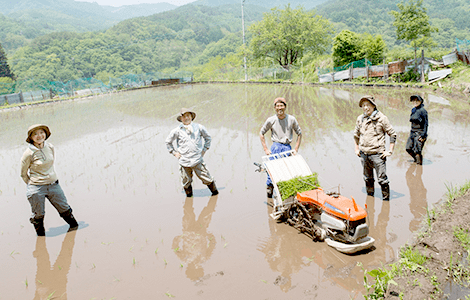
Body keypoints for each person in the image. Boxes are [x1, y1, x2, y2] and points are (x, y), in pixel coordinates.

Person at [20, 124, 78, 236]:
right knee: (38, 215)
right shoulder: (28, 153)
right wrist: (34, 185)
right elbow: (23, 174)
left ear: (45, 134)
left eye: (41, 132)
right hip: (37, 188)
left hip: (53, 185)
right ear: (31, 138)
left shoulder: (50, 147)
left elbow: (50, 164)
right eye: (35, 134)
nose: (39, 136)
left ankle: (75, 230)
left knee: (65, 209)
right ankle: (41, 238)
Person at [165, 108, 218, 197]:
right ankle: (189, 199)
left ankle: (215, 195)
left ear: (191, 117)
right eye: (184, 116)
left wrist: (204, 150)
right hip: (184, 162)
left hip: (197, 160)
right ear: (181, 119)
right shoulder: (177, 130)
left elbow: (208, 138)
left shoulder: (199, 127)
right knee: (186, 182)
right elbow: (168, 142)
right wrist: (174, 153)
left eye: (188, 116)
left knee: (207, 179)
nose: (186, 118)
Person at [354, 96, 397, 201]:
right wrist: (356, 148)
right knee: (367, 178)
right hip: (364, 154)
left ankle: (386, 201)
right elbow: (356, 135)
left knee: (382, 180)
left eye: (368, 105)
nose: (365, 108)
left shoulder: (382, 118)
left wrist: (390, 151)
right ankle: (370, 200)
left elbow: (392, 134)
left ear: (373, 106)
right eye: (363, 105)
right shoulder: (360, 119)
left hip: (378, 154)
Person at [259, 97, 302, 198]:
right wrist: (266, 149)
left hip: (287, 147)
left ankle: (285, 194)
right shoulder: (271, 120)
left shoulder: (291, 119)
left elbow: (299, 133)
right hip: (275, 147)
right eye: (277, 106)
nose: (280, 108)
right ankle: (270, 191)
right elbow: (261, 133)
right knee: (272, 170)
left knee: (286, 171)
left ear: (285, 107)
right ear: (274, 108)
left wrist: (295, 149)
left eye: (282, 105)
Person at [406, 95, 428, 165]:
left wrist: (423, 135)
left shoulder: (423, 111)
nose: (415, 102)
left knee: (417, 151)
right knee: (408, 148)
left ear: (421, 101)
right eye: (414, 100)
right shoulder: (413, 110)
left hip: (420, 133)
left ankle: (419, 169)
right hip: (412, 132)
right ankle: (416, 160)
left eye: (417, 100)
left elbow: (426, 124)